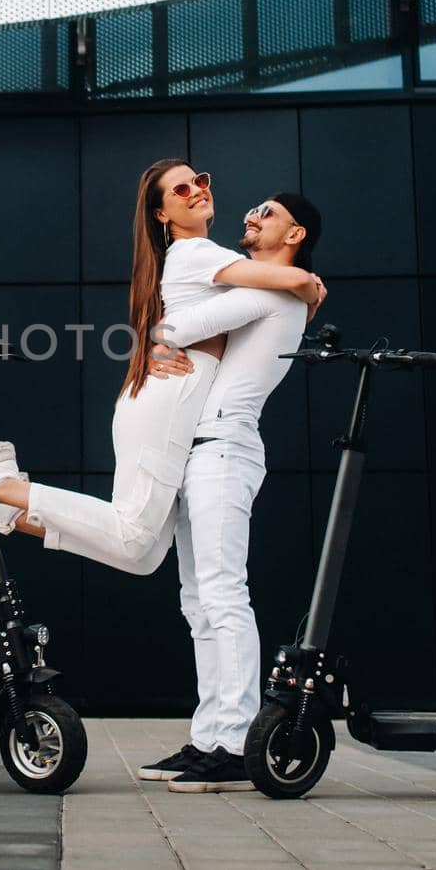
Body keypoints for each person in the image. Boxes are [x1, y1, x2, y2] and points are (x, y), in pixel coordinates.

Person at [0, 161, 324, 583]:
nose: (198, 190)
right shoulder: (198, 251)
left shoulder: (200, 256)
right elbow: (285, 279)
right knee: (134, 539)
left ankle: (1, 509)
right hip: (171, 400)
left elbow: (252, 298)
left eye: (199, 181)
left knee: (143, 557)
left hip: (162, 399)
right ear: (162, 215)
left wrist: (157, 346)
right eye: (182, 190)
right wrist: (308, 285)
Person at [144, 192, 323, 794]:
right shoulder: (279, 285)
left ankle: (239, 742)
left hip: (225, 449)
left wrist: (162, 337)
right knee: (198, 603)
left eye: (266, 214)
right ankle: (208, 739)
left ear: (294, 233)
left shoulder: (271, 291)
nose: (250, 216)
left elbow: (179, 325)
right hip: (206, 449)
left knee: (222, 594)